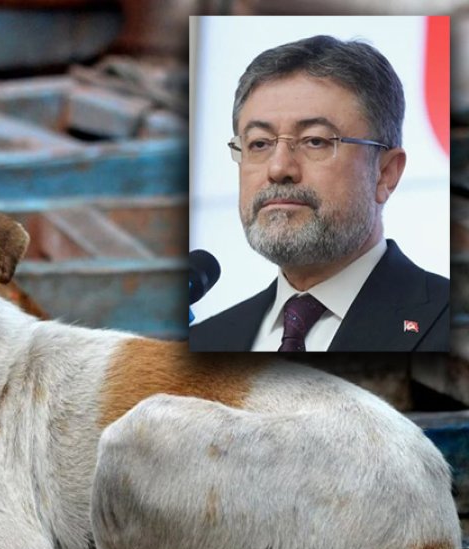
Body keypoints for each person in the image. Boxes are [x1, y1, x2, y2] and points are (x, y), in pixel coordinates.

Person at [190, 35, 449, 352]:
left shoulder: (446, 321)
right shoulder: (206, 340)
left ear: (386, 172)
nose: (278, 168)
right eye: (259, 143)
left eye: (315, 141)